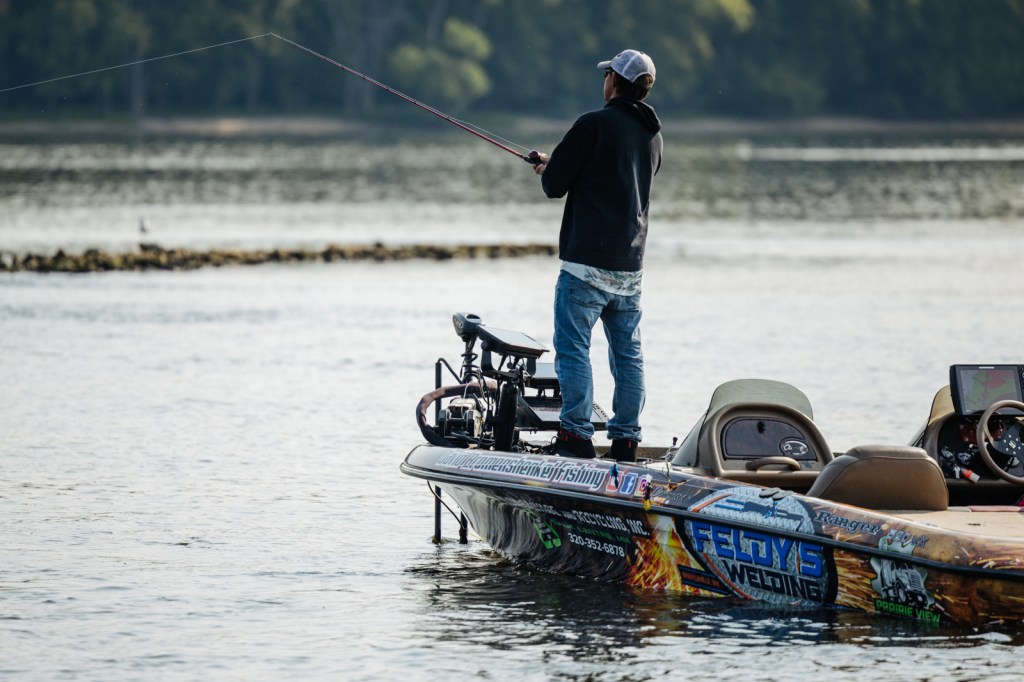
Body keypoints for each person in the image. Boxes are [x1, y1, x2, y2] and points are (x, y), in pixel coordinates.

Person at [532, 49, 663, 462]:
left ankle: (575, 436)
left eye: (607, 74)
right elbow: (616, 176)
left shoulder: (592, 123)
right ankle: (626, 441)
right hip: (629, 268)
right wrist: (562, 165)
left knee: (573, 350)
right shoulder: (653, 135)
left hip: (585, 266)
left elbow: (554, 186)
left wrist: (551, 167)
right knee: (628, 356)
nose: (604, 80)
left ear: (614, 81)